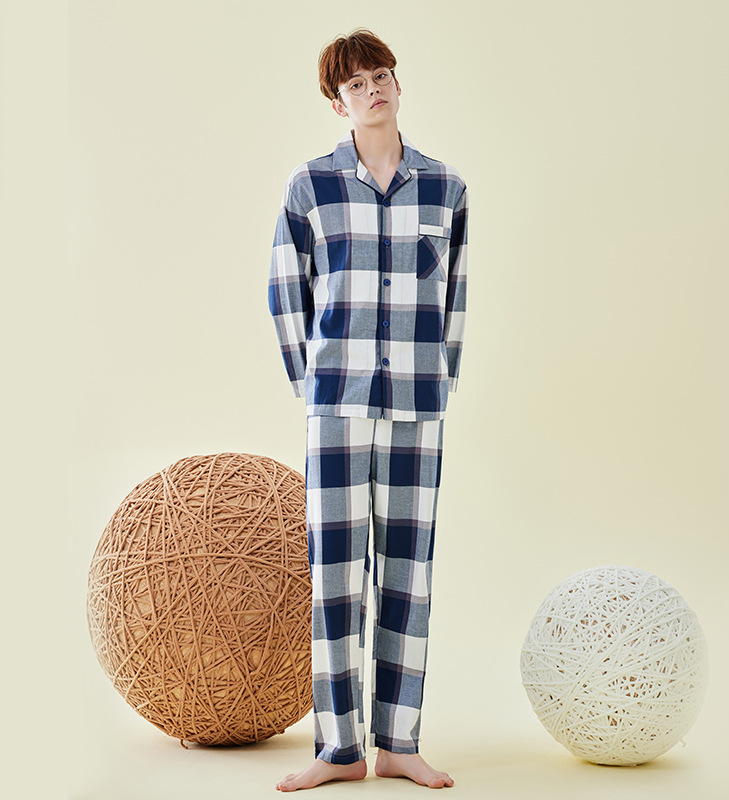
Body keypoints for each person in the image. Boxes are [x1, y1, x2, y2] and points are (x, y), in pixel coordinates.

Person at [268, 28, 468, 791]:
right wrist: (311, 381)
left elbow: (456, 297)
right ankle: (339, 749)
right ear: (337, 103)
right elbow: (285, 289)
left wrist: (441, 379)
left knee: (409, 577)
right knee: (336, 578)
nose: (372, 89)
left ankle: (399, 743)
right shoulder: (310, 187)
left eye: (380, 75)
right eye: (355, 83)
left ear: (397, 84)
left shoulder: (446, 188)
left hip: (418, 404)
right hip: (337, 406)